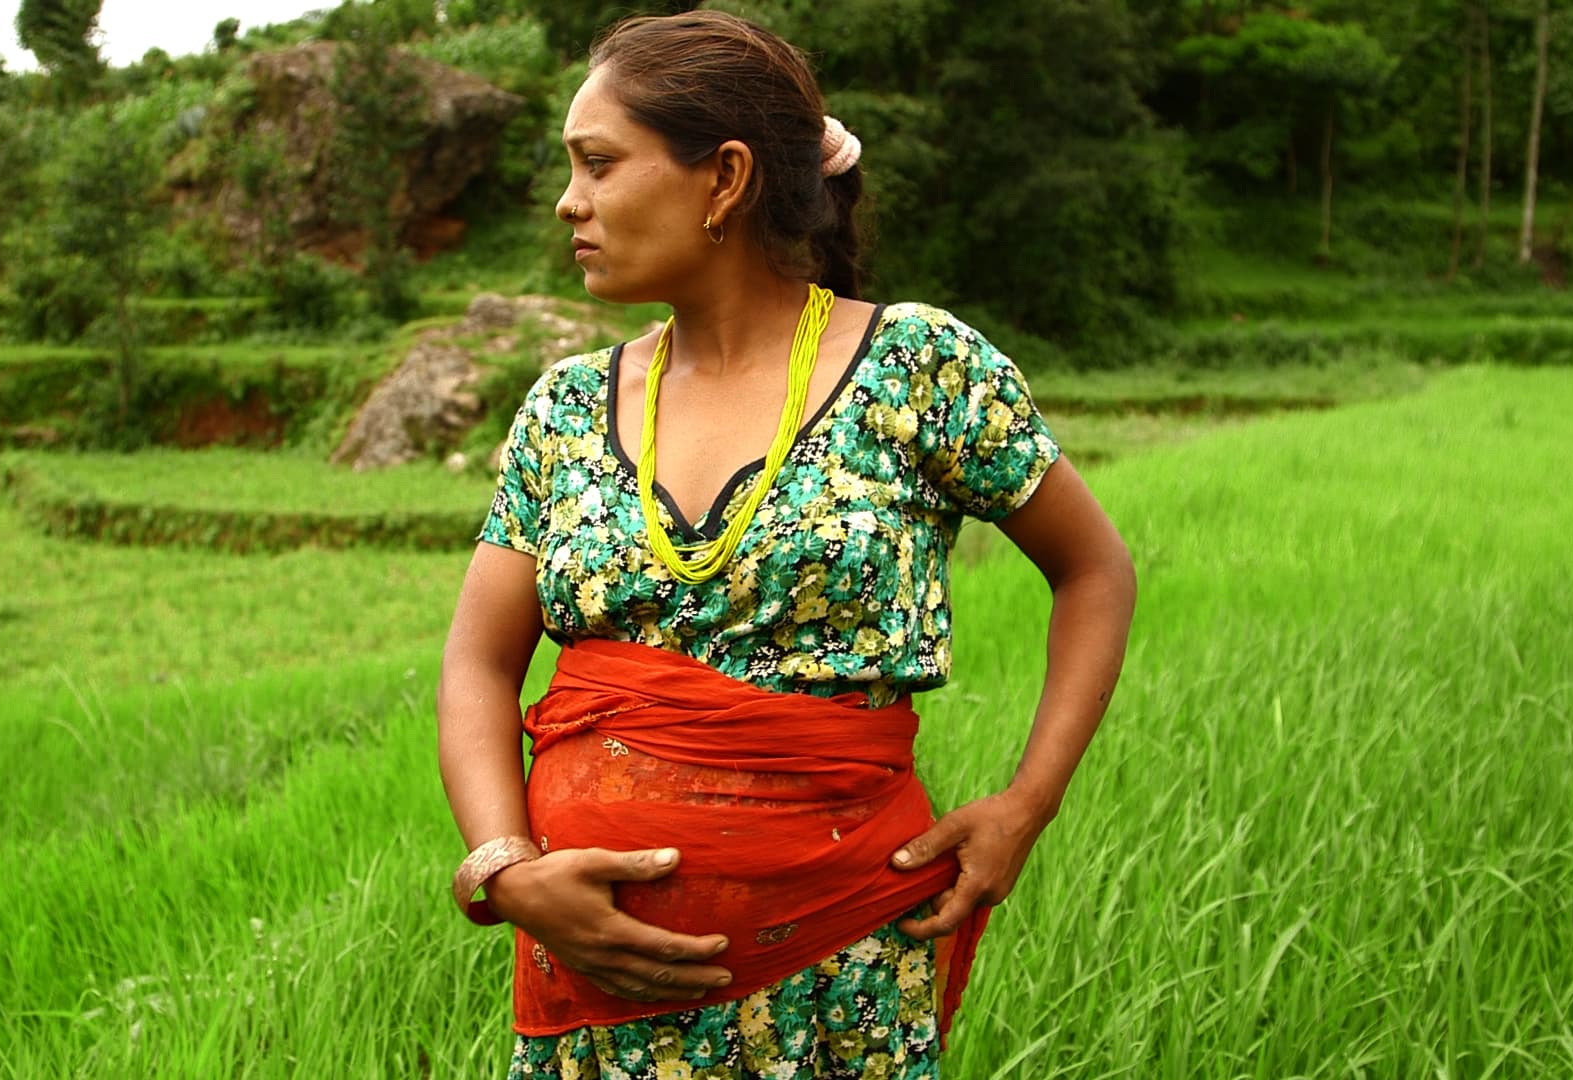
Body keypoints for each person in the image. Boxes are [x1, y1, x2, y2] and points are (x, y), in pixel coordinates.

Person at [437, 11, 1136, 1078]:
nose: (568, 200)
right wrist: (505, 866)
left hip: (838, 974)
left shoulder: (917, 367)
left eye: (599, 163)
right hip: (596, 990)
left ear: (723, 178)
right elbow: (481, 661)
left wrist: (1023, 808)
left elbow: (1094, 571)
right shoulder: (565, 408)